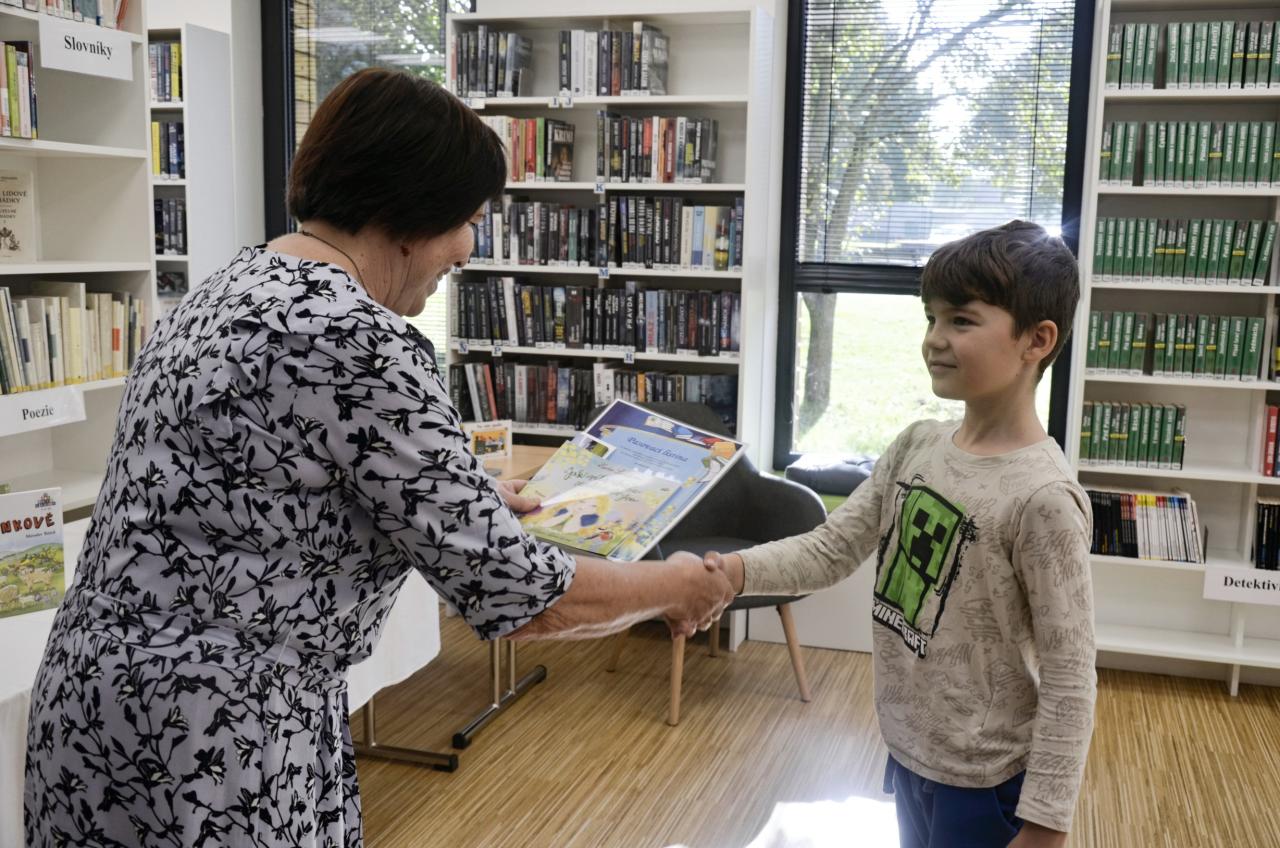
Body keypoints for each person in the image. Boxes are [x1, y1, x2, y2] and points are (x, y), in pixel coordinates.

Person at [23, 68, 733, 848]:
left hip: (90, 704)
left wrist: (460, 499)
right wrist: (674, 588)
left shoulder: (218, 292)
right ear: (409, 216)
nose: (467, 248)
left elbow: (257, 490)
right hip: (219, 735)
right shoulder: (364, 341)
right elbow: (519, 595)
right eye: (468, 220)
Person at [708, 221, 1096, 848]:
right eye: (931, 318)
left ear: (1037, 339)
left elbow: (1070, 674)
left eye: (961, 321)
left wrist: (1047, 823)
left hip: (987, 781)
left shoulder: (1044, 498)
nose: (934, 339)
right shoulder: (917, 443)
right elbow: (831, 550)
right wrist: (729, 574)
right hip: (910, 752)